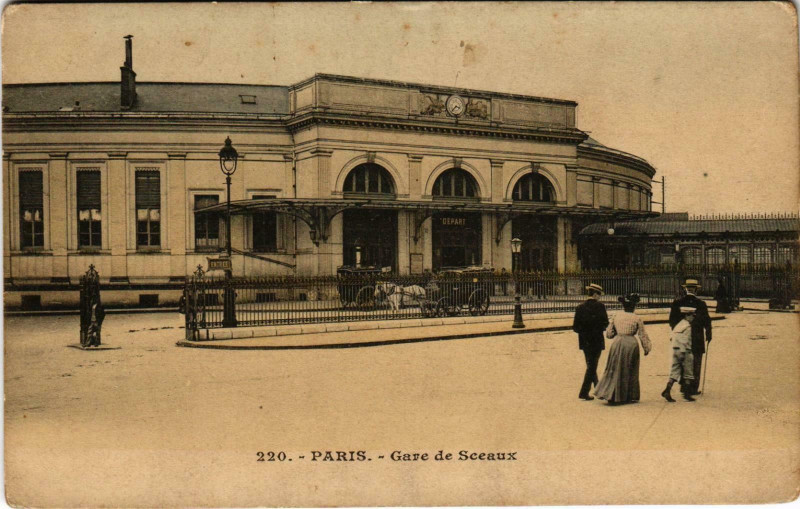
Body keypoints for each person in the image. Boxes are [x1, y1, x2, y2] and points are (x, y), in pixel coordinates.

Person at [594, 293, 652, 404]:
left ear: (623, 306)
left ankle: (611, 393)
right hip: (631, 343)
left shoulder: (616, 316)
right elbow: (642, 335)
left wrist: (617, 333)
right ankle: (628, 395)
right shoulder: (637, 318)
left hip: (617, 342)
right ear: (634, 306)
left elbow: (609, 334)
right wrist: (646, 348)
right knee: (629, 369)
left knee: (614, 368)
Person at [669, 279, 712, 396]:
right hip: (697, 337)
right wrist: (709, 334)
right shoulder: (701, 304)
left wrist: (676, 332)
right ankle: (693, 387)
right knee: (696, 361)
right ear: (696, 289)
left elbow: (672, 321)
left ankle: (684, 386)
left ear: (685, 289)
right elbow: (707, 321)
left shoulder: (677, 303)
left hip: (682, 337)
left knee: (683, 360)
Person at [572, 283, 609, 401]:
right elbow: (605, 324)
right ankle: (584, 392)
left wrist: (585, 333)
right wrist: (597, 330)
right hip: (597, 340)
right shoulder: (601, 307)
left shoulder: (580, 307)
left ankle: (598, 388)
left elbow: (575, 327)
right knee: (592, 366)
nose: (600, 298)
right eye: (599, 295)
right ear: (594, 294)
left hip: (585, 342)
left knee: (590, 365)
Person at [662, 306, 697, 402]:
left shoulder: (679, 325)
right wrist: (683, 351)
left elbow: (672, 337)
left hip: (675, 349)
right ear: (687, 315)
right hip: (685, 351)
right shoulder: (688, 326)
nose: (693, 317)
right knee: (688, 373)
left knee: (675, 371)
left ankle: (667, 390)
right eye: (692, 316)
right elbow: (684, 340)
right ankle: (687, 393)